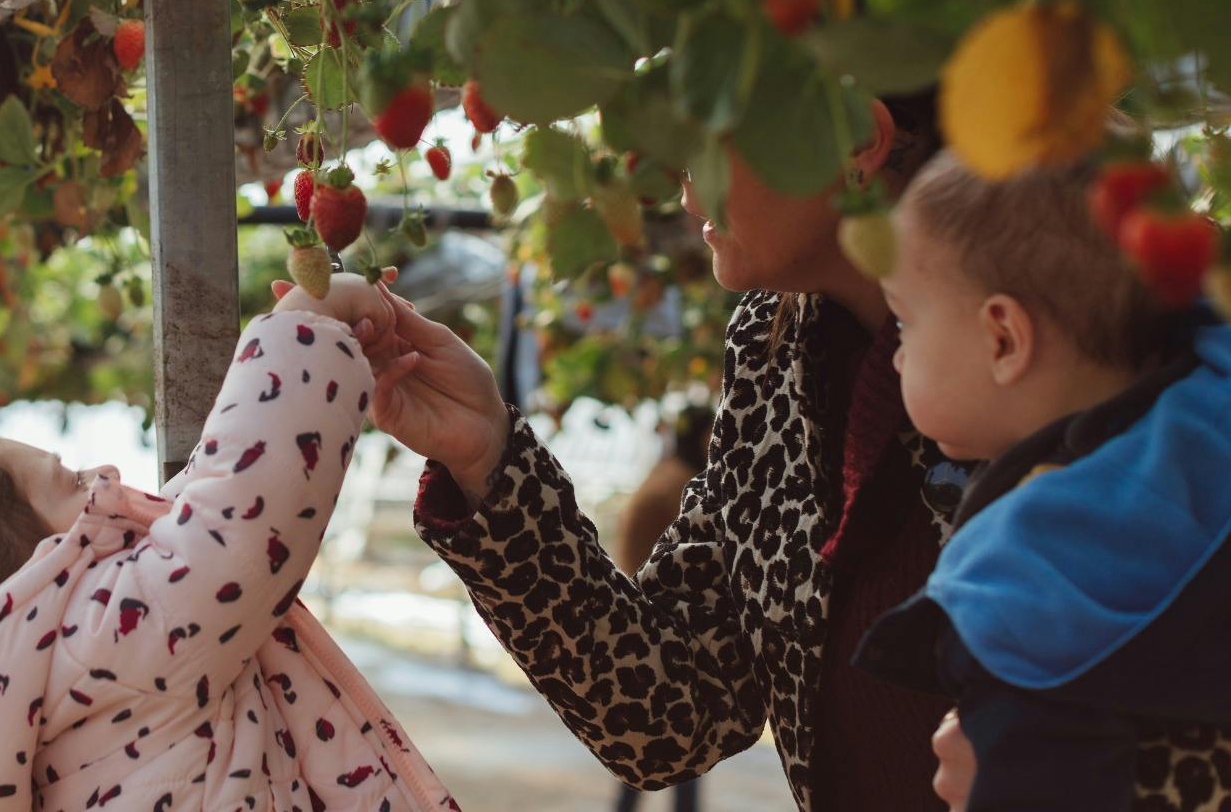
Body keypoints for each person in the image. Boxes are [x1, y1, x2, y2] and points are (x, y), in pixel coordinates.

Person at [330, 90, 1231, 812]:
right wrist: (487, 457)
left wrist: (1074, 777)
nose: (687, 193)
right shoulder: (777, 351)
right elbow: (668, 711)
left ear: (856, 140)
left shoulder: (1134, 364)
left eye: (709, 142)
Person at [0, 275, 460, 812]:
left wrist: (340, 360)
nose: (105, 475)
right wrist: (310, 320)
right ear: (28, 582)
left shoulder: (25, 694)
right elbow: (239, 514)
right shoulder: (106, 637)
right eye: (71, 482)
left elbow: (187, 523)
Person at [852, 152, 1231, 809]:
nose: (898, 357)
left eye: (906, 322)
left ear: (1003, 338)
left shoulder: (1033, 574)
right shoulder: (1208, 419)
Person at [609, 407, 713, 812]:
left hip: (649, 629)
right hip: (665, 634)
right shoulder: (681, 488)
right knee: (678, 744)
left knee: (653, 745)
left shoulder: (666, 475)